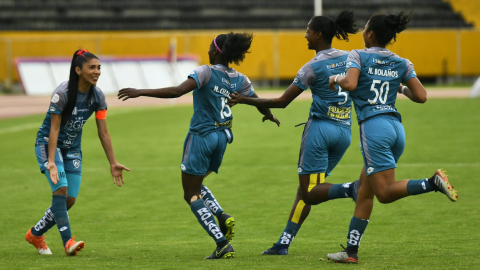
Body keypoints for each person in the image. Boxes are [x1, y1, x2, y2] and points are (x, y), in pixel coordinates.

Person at [117, 32, 280, 259]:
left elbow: (177, 91)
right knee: (198, 183)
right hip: (222, 137)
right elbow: (257, 100)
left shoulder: (205, 71)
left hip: (202, 136)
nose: (207, 51)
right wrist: (269, 115)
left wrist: (140, 91)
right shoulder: (240, 78)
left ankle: (221, 243)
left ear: (215, 51)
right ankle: (222, 216)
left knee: (190, 193)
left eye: (209, 47)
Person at [325, 12, 458, 263]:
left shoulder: (358, 55)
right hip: (396, 129)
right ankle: (350, 252)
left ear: (370, 33)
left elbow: (351, 84)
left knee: (384, 193)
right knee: (365, 189)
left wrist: (335, 78)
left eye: (365, 28)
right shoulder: (401, 61)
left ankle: (432, 182)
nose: (363, 31)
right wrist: (399, 87)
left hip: (374, 129)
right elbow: (421, 96)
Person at [229, 10, 360, 255]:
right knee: (307, 190)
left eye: (308, 31)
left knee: (310, 192)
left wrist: (245, 100)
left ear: (319, 34)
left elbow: (282, 102)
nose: (305, 35)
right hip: (344, 132)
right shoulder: (353, 58)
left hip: (320, 131)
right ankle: (283, 244)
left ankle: (350, 188)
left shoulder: (311, 67)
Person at [26, 49, 130, 256]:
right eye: (91, 67)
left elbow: (103, 132)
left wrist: (113, 162)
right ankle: (67, 242)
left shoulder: (98, 96)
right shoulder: (62, 94)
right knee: (61, 190)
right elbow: (54, 129)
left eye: (99, 67)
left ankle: (35, 234)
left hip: (73, 148)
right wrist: (52, 162)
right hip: (49, 144)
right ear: (78, 70)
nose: (97, 71)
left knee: (70, 199)